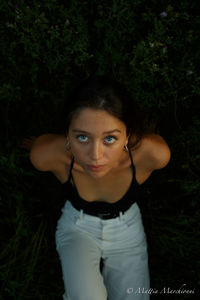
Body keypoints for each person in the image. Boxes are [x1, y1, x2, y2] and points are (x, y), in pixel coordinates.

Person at [27, 75, 171, 300]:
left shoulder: (154, 155)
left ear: (128, 135)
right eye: (82, 137)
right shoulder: (47, 156)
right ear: (67, 134)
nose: (95, 156)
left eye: (110, 139)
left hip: (128, 230)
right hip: (77, 228)